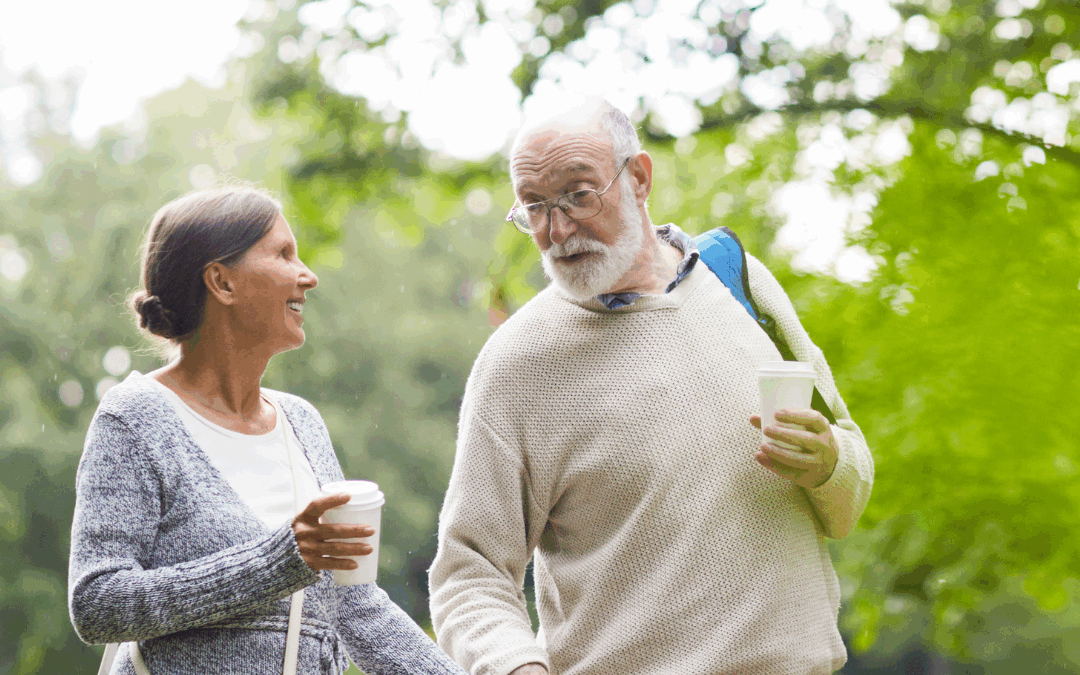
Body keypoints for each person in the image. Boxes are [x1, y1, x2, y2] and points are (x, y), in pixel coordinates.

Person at [427, 98, 874, 675]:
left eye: (578, 194)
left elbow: (850, 489)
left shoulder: (739, 280)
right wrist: (516, 666)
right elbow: (469, 575)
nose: (557, 230)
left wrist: (827, 463)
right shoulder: (519, 362)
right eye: (534, 207)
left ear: (638, 178)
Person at [68, 186, 466, 675]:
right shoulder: (135, 418)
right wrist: (276, 560)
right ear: (222, 282)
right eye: (283, 254)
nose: (309, 276)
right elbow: (97, 603)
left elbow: (356, 609)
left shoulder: (302, 423)